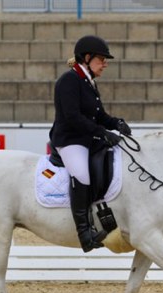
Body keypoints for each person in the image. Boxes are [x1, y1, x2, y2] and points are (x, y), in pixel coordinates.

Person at [49, 35, 132, 253]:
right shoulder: (69, 81)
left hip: (86, 138)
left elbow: (99, 115)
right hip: (69, 140)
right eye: (101, 59)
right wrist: (103, 133)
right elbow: (73, 117)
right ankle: (85, 235)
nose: (105, 64)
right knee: (81, 173)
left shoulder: (88, 82)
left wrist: (116, 123)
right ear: (87, 58)